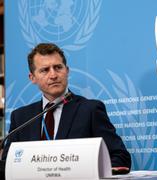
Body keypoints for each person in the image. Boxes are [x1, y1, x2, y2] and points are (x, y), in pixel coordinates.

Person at [2, 43, 131, 169]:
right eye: (45, 70)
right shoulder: (21, 118)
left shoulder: (90, 110)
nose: (53, 75)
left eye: (58, 67)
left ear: (67, 70)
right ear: (32, 77)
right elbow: (7, 165)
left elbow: (120, 157)